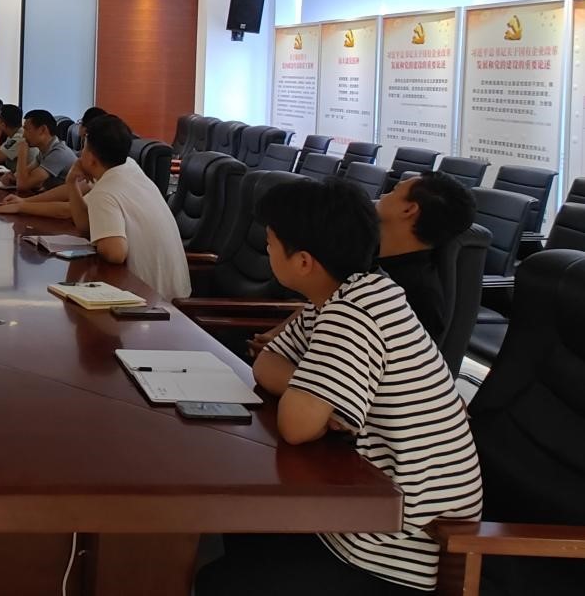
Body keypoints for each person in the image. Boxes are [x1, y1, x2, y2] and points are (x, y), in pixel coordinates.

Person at [197, 178, 481, 596]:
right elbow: (267, 362)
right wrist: (320, 392)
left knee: (216, 576)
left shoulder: (356, 311)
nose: (266, 251)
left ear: (304, 262)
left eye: (271, 244)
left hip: (393, 552)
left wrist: (317, 397)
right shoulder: (342, 295)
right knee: (236, 533)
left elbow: (296, 426)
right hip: (358, 512)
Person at [248, 170, 475, 356]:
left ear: (408, 209)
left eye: (393, 191)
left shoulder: (420, 294)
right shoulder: (367, 254)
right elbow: (318, 303)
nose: (383, 195)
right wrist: (277, 337)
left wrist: (276, 361)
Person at [0, 116, 191, 299]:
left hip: (149, 300)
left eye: (84, 148)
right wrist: (71, 184)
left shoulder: (105, 191)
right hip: (169, 293)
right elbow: (85, 225)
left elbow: (115, 253)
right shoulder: (128, 167)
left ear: (92, 158)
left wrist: (23, 206)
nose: (79, 155)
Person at [0, 109, 75, 192]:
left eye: (27, 129)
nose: (24, 135)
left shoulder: (58, 153)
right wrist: (12, 177)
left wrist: (22, 153)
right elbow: (25, 175)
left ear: (42, 130)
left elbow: (22, 185)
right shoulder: (45, 150)